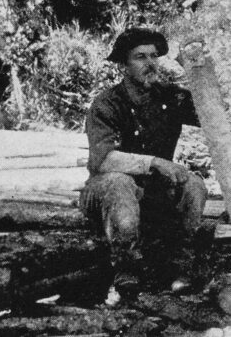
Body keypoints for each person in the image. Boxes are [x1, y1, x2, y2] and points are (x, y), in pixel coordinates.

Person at [81, 27, 207, 301]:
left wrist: (197, 70)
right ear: (124, 65)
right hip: (107, 195)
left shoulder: (169, 96)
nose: (150, 63)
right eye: (140, 57)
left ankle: (181, 267)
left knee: (194, 184)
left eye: (154, 56)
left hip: (154, 194)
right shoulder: (107, 104)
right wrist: (155, 162)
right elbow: (104, 160)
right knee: (119, 182)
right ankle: (127, 273)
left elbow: (211, 111)